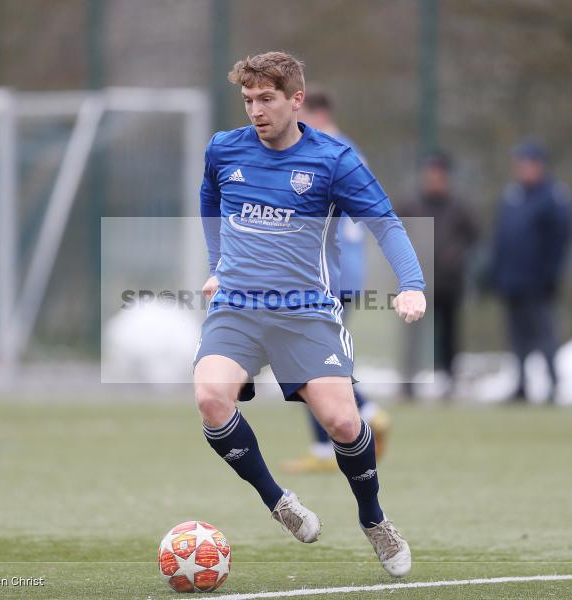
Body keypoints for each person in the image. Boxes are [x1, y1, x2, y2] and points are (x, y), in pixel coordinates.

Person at [194, 52, 426, 577]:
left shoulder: (334, 159)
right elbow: (209, 198)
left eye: (267, 99)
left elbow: (386, 223)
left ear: (296, 100)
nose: (256, 110)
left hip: (306, 312)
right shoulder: (223, 149)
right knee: (211, 398)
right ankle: (278, 501)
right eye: (249, 100)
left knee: (344, 422)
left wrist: (411, 285)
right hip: (239, 306)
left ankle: (374, 520)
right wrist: (217, 265)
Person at [280, 89, 391, 474]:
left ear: (319, 114)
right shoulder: (347, 151)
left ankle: (341, 434)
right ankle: (362, 417)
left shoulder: (327, 154)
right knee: (312, 356)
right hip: (342, 272)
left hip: (327, 274)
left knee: (308, 358)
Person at [490, 141, 572, 402]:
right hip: (512, 280)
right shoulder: (513, 194)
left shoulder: (553, 196)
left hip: (539, 281)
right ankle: (522, 384)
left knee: (544, 334)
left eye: (528, 164)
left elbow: (560, 239)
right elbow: (502, 237)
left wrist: (550, 274)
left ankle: (553, 384)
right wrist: (496, 272)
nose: (524, 169)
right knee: (518, 337)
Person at [397, 152, 478, 399]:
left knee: (449, 335)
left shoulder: (458, 207)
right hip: (418, 282)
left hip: (447, 283)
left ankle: (449, 380)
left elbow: (473, 236)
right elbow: (394, 232)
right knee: (412, 333)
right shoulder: (411, 205)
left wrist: (456, 254)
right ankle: (409, 381)